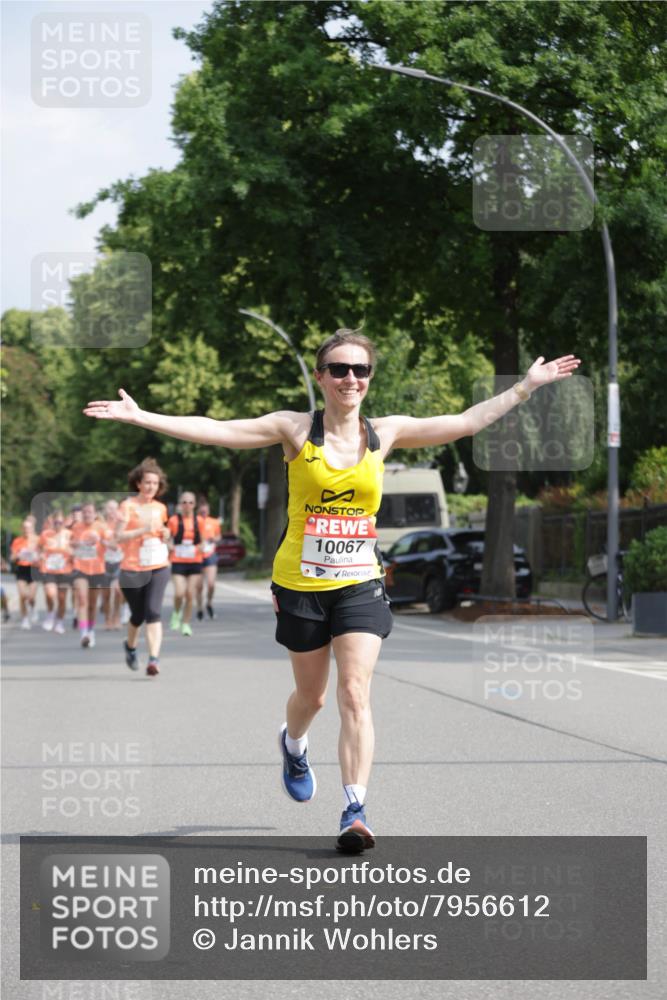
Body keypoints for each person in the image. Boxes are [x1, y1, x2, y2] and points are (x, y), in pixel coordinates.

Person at [84, 329, 580, 850]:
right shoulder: (294, 429)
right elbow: (216, 429)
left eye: (360, 370)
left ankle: (354, 810)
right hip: (299, 583)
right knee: (312, 697)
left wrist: (526, 386)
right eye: (339, 369)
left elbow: (465, 421)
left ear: (369, 379)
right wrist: (142, 416)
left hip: (359, 581)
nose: (350, 379)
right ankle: (293, 743)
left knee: (354, 693)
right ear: (321, 377)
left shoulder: (384, 432)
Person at [115, 458, 171, 676]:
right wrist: (142, 530)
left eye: (155, 484)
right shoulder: (127, 506)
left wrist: (165, 534)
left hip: (158, 565)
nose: (151, 487)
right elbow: (118, 537)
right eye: (147, 482)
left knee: (153, 612)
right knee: (137, 615)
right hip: (132, 568)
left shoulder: (160, 508)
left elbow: (162, 533)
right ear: (138, 483)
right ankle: (130, 647)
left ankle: (153, 659)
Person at [70, 501, 108, 648]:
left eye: (90, 512)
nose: (87, 515)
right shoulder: (76, 527)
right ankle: (84, 633)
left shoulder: (101, 527)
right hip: (80, 567)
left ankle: (91, 630)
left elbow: (112, 545)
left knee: (92, 605)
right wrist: (78, 544)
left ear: (95, 514)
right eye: (85, 512)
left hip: (97, 569)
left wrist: (101, 541)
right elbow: (71, 544)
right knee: (82, 600)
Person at [167, 491, 205, 637]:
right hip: (178, 561)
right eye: (184, 502)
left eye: (190, 502)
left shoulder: (199, 521)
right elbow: (168, 538)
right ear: (180, 504)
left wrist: (201, 547)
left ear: (194, 505)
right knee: (179, 593)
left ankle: (186, 623)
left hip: (194, 561)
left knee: (190, 594)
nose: (187, 505)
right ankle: (176, 613)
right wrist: (169, 545)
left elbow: (202, 541)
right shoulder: (174, 520)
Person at [38, 510, 73, 634]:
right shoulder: (45, 534)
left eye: (60, 522)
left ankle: (60, 622)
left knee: (62, 598)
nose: (58, 524)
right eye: (56, 522)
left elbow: (76, 550)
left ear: (64, 522)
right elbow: (39, 549)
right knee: (50, 594)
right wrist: (41, 555)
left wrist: (72, 554)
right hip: (49, 569)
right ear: (52, 522)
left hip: (64, 570)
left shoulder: (69, 534)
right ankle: (50, 614)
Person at [9, 515, 40, 628]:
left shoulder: (38, 540)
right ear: (22, 529)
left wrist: (37, 556)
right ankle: (25, 619)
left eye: (29, 528)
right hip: (21, 570)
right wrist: (19, 554)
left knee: (31, 596)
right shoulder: (17, 541)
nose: (27, 530)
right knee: (22, 595)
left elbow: (43, 555)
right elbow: (12, 558)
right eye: (25, 528)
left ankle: (33, 607)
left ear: (33, 529)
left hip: (33, 570)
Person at [195, 498, 222, 620]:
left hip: (210, 554)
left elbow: (218, 536)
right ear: (198, 511)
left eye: (206, 511)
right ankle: (200, 608)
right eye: (202, 511)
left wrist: (214, 539)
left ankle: (209, 603)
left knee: (211, 584)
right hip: (197, 555)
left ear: (209, 510)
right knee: (199, 586)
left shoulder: (214, 522)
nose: (204, 513)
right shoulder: (194, 521)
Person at [101, 499, 125, 630]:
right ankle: (107, 619)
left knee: (118, 591)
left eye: (114, 509)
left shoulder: (121, 525)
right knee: (106, 593)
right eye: (109, 509)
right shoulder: (101, 525)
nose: (112, 512)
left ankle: (116, 617)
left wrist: (107, 543)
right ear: (105, 510)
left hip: (119, 561)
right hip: (104, 562)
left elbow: (117, 544)